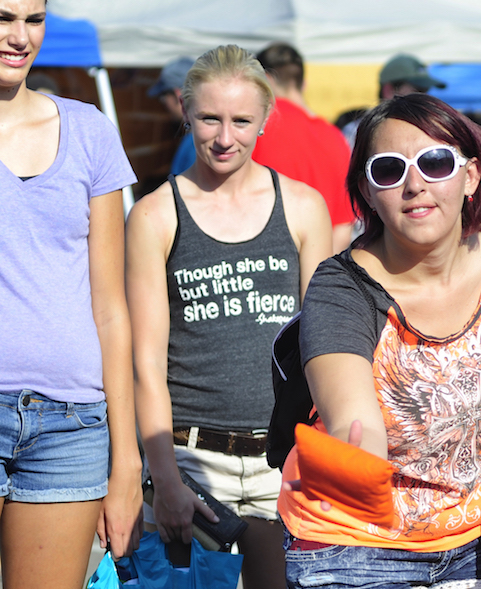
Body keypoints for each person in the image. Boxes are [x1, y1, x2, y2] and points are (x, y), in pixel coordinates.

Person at [277, 93, 481, 588]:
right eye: (389, 170)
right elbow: (355, 422)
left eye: (435, 163)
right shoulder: (341, 288)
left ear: (471, 176)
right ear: (368, 193)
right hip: (357, 548)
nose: (415, 185)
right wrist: (356, 460)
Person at [126, 45, 332, 589]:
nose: (224, 137)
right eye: (209, 118)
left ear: (265, 119)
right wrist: (165, 478)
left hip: (281, 462)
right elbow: (146, 362)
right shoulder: (155, 214)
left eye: (241, 120)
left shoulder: (304, 207)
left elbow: (324, 348)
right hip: (190, 463)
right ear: (184, 110)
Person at [0, 1, 143, 587]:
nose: (19, 36)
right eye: (3, 17)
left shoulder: (88, 129)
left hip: (72, 426)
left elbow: (111, 307)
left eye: (33, 19)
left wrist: (127, 460)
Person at [252, 42, 355, 253]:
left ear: (266, 82)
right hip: (322, 268)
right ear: (303, 84)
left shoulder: (255, 127)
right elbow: (344, 225)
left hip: (266, 263)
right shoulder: (336, 136)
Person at [338, 53, 446, 148]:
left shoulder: (426, 129)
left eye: (425, 92)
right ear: (389, 90)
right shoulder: (356, 132)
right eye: (418, 91)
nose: (424, 99)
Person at [148, 56, 196, 175]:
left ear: (177, 94)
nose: (164, 103)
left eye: (163, 96)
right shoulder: (204, 138)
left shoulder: (197, 143)